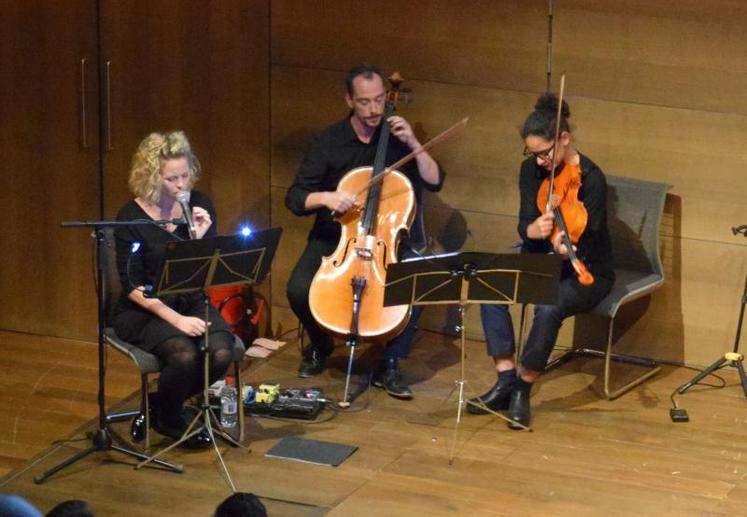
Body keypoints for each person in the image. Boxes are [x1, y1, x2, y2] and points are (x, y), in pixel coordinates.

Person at [285, 64, 444, 399]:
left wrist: (414, 142)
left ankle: (389, 364)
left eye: (379, 100)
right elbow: (296, 198)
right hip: (336, 238)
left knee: (411, 290)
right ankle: (321, 344)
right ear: (349, 100)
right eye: (365, 102)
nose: (374, 110)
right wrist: (327, 197)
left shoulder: (400, 141)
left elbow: (435, 179)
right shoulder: (328, 141)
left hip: (387, 239)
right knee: (298, 289)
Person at [468, 93, 614, 428]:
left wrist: (568, 247)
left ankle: (522, 388)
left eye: (545, 153)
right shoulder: (530, 172)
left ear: (564, 139)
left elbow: (590, 236)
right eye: (532, 153)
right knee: (490, 287)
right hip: (538, 262)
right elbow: (524, 221)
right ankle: (505, 380)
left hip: (584, 270)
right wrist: (533, 230)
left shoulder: (591, 177)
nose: (539, 162)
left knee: (548, 309)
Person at [113, 131, 235, 448]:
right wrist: (177, 321)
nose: (181, 185)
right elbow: (132, 286)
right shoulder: (131, 218)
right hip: (144, 310)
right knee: (184, 357)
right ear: (152, 178)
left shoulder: (200, 206)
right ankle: (170, 419)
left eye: (185, 176)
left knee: (222, 351)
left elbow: (205, 272)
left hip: (190, 299)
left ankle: (160, 403)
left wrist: (200, 239)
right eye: (171, 179)